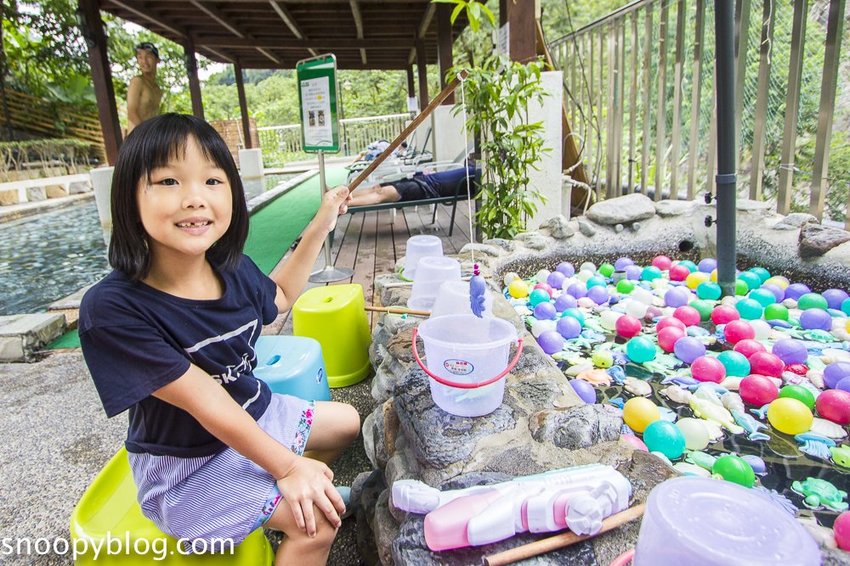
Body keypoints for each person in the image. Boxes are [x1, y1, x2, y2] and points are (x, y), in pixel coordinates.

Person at [78, 113, 360, 565]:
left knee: (348, 420)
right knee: (318, 525)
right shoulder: (112, 308)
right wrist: (287, 467)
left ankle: (277, 497)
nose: (195, 199)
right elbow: (206, 400)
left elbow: (283, 295)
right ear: (129, 197)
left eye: (212, 180)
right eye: (168, 181)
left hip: (253, 415)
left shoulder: (230, 268)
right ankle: (290, 511)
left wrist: (324, 220)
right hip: (184, 468)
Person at [348, 164, 480, 207]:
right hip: (421, 178)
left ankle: (343, 204)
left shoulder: (479, 177)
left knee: (383, 193)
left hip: (427, 189)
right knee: (377, 188)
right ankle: (342, 195)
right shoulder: (477, 168)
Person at [127, 42, 163, 134]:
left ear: (157, 60)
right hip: (137, 137)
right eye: (140, 57)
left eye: (148, 57)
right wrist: (145, 135)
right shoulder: (137, 81)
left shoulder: (157, 89)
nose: (144, 61)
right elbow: (131, 112)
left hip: (150, 138)